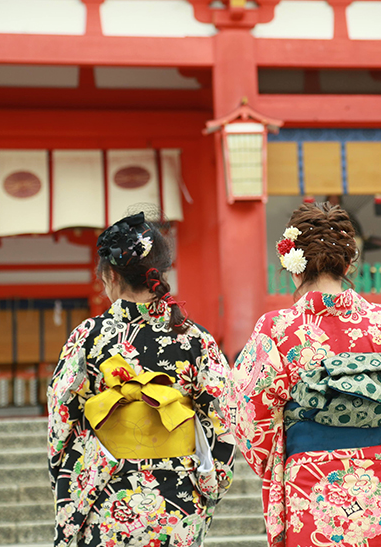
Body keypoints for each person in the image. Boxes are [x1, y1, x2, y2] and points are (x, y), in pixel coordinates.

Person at [230, 203, 381, 547]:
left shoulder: (277, 329)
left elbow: (248, 417)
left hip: (310, 491)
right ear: (348, 264)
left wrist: (283, 458)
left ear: (294, 267)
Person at [47, 213, 234, 547]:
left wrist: (64, 478)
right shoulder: (195, 339)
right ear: (159, 271)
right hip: (179, 501)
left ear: (110, 275)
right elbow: (222, 416)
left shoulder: (88, 337)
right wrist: (211, 482)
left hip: (106, 496)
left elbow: (62, 419)